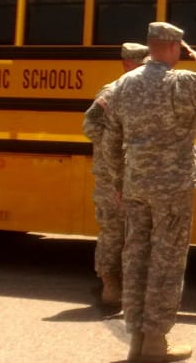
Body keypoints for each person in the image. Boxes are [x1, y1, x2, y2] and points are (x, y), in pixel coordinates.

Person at [102, 22, 196, 362]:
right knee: (166, 262)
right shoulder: (179, 82)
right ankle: (155, 342)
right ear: (172, 47)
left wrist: (119, 184)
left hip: (136, 185)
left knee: (136, 258)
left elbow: (110, 141)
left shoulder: (123, 84)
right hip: (172, 187)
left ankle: (137, 340)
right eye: (180, 48)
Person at [83, 42, 149, 309]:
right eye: (140, 65)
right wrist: (118, 146)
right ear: (127, 64)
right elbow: (90, 125)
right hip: (112, 175)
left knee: (136, 232)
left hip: (139, 175)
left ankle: (128, 285)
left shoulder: (144, 92)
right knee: (113, 230)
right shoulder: (113, 92)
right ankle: (110, 283)